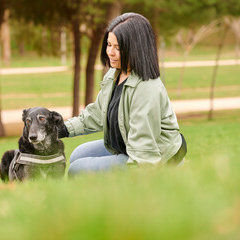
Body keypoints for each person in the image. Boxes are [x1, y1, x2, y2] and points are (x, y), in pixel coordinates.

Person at [58, 12, 187, 176]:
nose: (110, 52)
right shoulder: (114, 74)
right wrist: (60, 129)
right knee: (78, 154)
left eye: (118, 48)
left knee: (77, 170)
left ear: (136, 49)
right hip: (127, 145)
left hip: (151, 157)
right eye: (109, 45)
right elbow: (97, 114)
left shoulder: (146, 89)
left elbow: (145, 151)